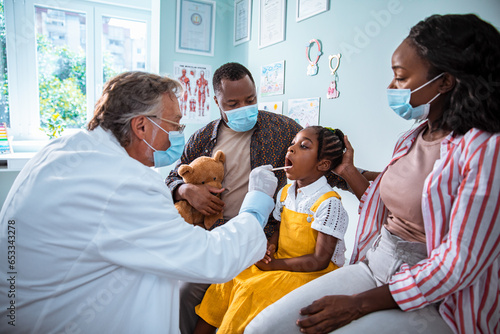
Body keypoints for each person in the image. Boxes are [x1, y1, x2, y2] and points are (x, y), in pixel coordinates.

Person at [245, 14, 500, 334]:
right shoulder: (412, 138)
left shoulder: (487, 151)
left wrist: (359, 304)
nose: (391, 87)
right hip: (376, 264)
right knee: (262, 329)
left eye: (401, 77)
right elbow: (389, 204)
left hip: (437, 294)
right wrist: (350, 171)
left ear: (445, 82)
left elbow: (459, 262)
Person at [0, 71, 280, 333]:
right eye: (174, 124)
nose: (179, 132)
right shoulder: (123, 182)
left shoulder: (67, 147)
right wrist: (256, 205)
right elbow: (211, 258)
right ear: (142, 126)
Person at [165, 62, 349, 334]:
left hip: (261, 238)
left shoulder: (283, 130)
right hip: (213, 235)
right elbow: (173, 176)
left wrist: (370, 176)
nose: (245, 107)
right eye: (233, 102)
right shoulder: (203, 137)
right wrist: (186, 191)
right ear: (217, 101)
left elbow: (325, 168)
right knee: (184, 294)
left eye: (250, 99)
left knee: (244, 292)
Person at [193, 126, 350, 334]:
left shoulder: (328, 203)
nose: (291, 149)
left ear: (323, 164)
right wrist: (269, 246)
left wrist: (274, 264)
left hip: (312, 272)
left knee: (252, 290)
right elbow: (280, 228)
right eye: (292, 143)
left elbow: (320, 260)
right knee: (230, 277)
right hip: (283, 260)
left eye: (303, 146)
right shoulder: (286, 192)